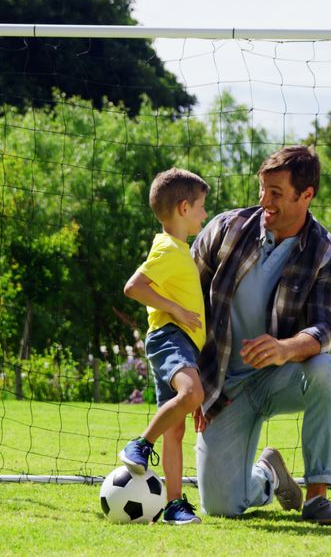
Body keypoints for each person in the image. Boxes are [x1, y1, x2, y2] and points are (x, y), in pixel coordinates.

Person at [192, 145, 331, 526]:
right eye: (262, 190)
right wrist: (194, 382)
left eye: (276, 193)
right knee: (220, 506)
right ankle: (269, 476)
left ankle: (317, 498)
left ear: (306, 195)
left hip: (280, 378)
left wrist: (285, 348)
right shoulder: (225, 230)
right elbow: (185, 302)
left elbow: (326, 328)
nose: (264, 201)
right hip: (223, 387)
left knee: (328, 372)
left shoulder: (327, 254)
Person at [118, 167, 210, 525]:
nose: (205, 213)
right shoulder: (171, 249)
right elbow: (133, 287)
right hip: (170, 337)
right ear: (184, 208)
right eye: (202, 206)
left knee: (177, 428)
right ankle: (139, 445)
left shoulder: (177, 249)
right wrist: (177, 310)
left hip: (180, 342)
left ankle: (173, 505)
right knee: (192, 395)